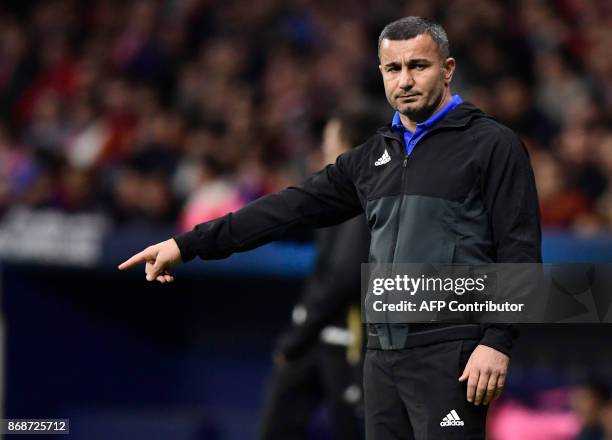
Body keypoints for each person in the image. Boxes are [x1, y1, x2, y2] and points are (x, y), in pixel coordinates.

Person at [119, 16, 542, 440]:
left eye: (419, 66)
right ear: (380, 74)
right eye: (393, 69)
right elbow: (288, 208)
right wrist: (186, 244)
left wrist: (497, 341)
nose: (405, 80)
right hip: (380, 358)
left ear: (447, 70)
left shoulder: (493, 145)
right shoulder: (371, 157)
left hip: (454, 355)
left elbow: (520, 251)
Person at [258, 110, 375, 440]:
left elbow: (344, 278)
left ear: (349, 146)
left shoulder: (367, 201)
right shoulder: (331, 195)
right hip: (314, 339)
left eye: (330, 140)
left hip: (344, 343)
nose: (323, 148)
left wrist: (298, 335)